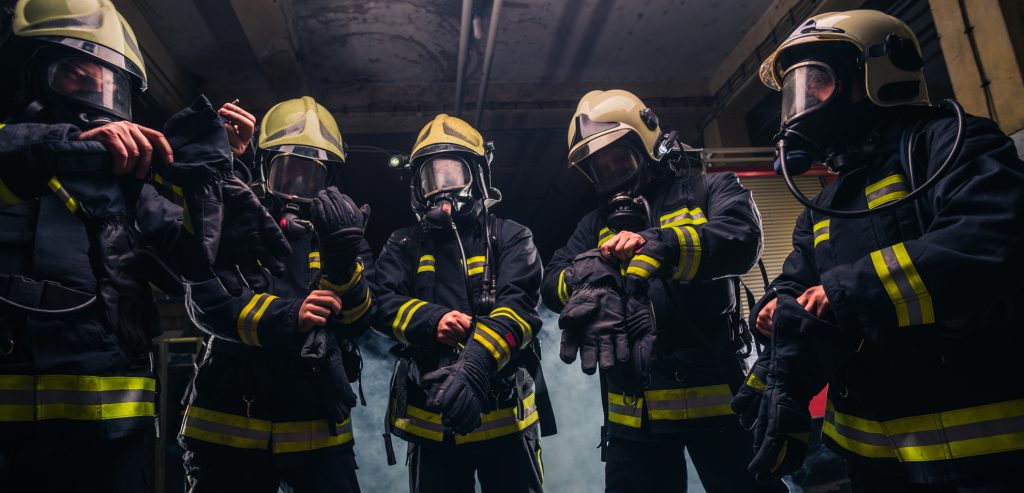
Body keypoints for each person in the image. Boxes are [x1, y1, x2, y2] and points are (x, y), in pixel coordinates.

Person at [745, 9, 1024, 491]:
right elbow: (799, 275)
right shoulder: (826, 200)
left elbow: (988, 241)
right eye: (795, 91)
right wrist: (775, 304)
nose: (802, 103)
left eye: (817, 83)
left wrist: (841, 294)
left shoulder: (951, 143)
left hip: (985, 453)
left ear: (876, 74)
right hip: (871, 457)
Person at [0, 1, 224, 490]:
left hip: (113, 443)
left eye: (109, 88)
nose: (96, 100)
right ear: (25, 79)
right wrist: (61, 148)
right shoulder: (15, 152)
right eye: (76, 79)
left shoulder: (131, 190)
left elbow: (197, 261)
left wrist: (208, 184)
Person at [541, 89, 784, 492]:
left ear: (647, 142)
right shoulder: (594, 224)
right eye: (599, 167)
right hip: (634, 417)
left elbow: (742, 237)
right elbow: (552, 282)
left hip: (720, 403)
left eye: (619, 156)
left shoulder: (709, 188)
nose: (612, 171)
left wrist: (662, 245)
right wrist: (589, 275)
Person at [177, 97, 373, 492]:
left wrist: (341, 266)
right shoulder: (230, 214)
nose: (297, 189)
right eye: (288, 172)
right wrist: (291, 315)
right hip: (229, 427)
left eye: (311, 176)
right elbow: (208, 302)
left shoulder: (342, 236)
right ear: (265, 167)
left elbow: (359, 325)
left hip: (317, 429)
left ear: (330, 179)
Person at [373, 114, 547, 493]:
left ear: (479, 176)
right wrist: (432, 320)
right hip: (432, 427)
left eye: (452, 175)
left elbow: (518, 311)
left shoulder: (513, 237)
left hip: (505, 422)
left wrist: (475, 366)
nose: (442, 188)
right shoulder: (402, 243)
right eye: (430, 178)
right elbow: (382, 304)